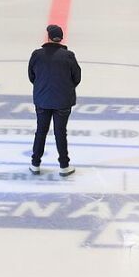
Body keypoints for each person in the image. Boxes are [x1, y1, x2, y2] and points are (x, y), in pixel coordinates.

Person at [28, 24, 81, 177]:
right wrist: (65, 87)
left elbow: (32, 76)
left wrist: (42, 87)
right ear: (61, 38)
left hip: (42, 100)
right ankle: (64, 165)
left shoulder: (37, 55)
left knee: (41, 131)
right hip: (63, 101)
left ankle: (35, 163)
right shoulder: (69, 56)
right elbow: (76, 77)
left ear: (49, 37)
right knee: (60, 132)